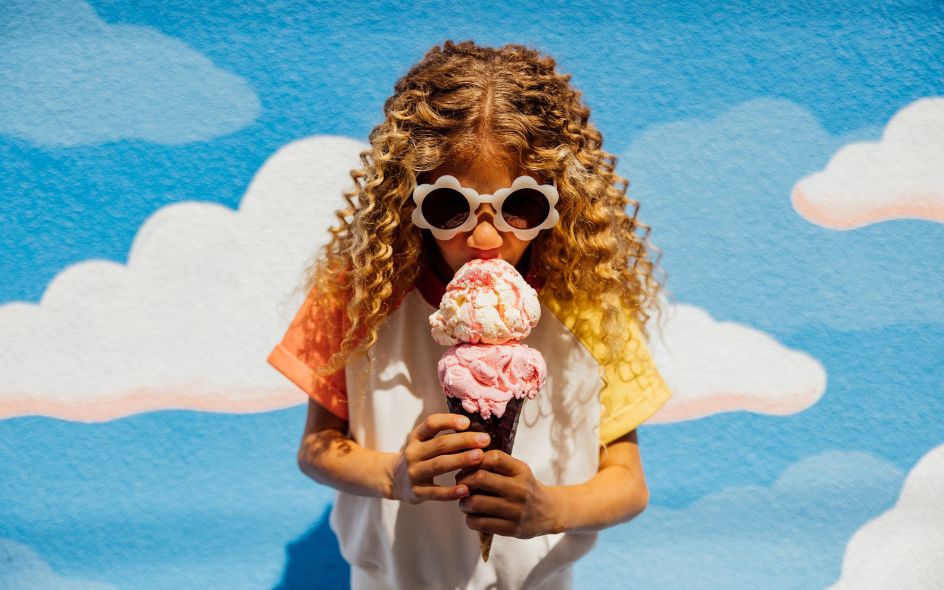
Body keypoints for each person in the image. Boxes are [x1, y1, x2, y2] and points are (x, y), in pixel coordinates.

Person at [266, 40, 673, 589]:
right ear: (407, 198)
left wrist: (550, 510)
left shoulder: (589, 305)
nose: (484, 238)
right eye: (449, 206)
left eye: (520, 207)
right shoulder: (357, 295)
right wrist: (392, 474)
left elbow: (628, 483)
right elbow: (316, 450)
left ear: (561, 200)